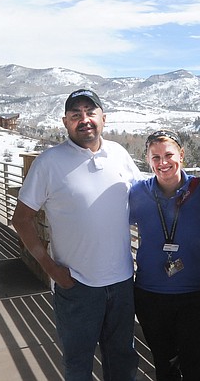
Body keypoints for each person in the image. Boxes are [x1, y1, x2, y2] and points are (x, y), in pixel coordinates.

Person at [11, 89, 141, 381]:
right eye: (75, 114)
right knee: (79, 367)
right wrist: (50, 268)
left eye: (90, 112)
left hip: (121, 284)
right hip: (77, 286)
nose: (84, 119)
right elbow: (21, 219)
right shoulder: (49, 162)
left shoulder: (119, 154)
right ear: (65, 122)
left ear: (103, 118)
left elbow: (146, 197)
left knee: (122, 364)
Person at [129, 130, 200, 381]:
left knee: (198, 370)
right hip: (151, 296)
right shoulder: (138, 193)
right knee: (165, 368)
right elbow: (110, 226)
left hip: (197, 296)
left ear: (181, 154)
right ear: (147, 160)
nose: (163, 162)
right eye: (155, 157)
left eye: (169, 154)